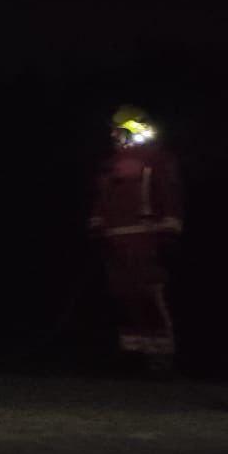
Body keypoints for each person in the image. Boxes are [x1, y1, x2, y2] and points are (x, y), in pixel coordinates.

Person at [90, 105, 184, 371]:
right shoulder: (111, 164)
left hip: (145, 236)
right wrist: (97, 225)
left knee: (150, 294)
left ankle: (160, 354)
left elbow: (169, 195)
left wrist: (169, 231)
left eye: (118, 130)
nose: (114, 135)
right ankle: (132, 352)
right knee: (123, 295)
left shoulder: (157, 160)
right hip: (115, 237)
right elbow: (102, 198)